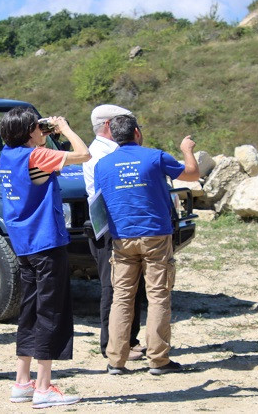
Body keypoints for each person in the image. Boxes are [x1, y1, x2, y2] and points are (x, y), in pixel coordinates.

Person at [94, 114, 199, 376]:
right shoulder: (155, 156)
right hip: (155, 236)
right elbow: (192, 173)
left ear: (113, 136)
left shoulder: (102, 165)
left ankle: (116, 360)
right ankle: (158, 359)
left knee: (121, 298)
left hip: (121, 238)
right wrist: (187, 150)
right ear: (137, 133)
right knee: (158, 296)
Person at [0, 107, 89, 408]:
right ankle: (44, 387)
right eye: (36, 128)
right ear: (28, 133)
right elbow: (83, 154)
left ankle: (22, 382)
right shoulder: (37, 156)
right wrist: (63, 129)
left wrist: (43, 132)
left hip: (23, 243)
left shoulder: (7, 155)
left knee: (30, 310)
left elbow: (32, 151)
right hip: (46, 243)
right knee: (51, 312)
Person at [82, 104, 146, 362]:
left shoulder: (112, 151)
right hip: (110, 227)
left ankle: (129, 339)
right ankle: (112, 344)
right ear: (108, 125)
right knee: (114, 286)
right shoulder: (98, 154)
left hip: (124, 225)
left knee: (133, 286)